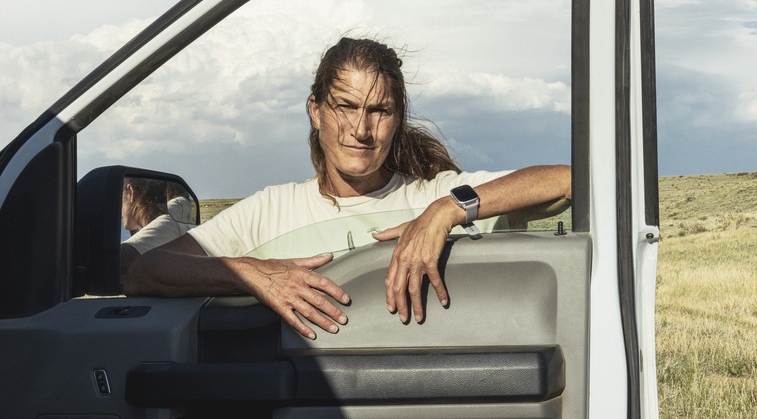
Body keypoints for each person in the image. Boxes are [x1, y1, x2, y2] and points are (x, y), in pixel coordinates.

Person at [124, 37, 571, 339]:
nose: (361, 129)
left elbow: (566, 180)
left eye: (380, 110)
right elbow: (145, 272)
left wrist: (445, 212)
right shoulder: (269, 210)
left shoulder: (430, 194)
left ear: (398, 119)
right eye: (345, 107)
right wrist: (248, 273)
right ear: (315, 111)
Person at [121, 178, 196, 281]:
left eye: (119, 199)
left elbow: (121, 262)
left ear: (131, 192)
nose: (118, 209)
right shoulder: (180, 220)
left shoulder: (166, 226)